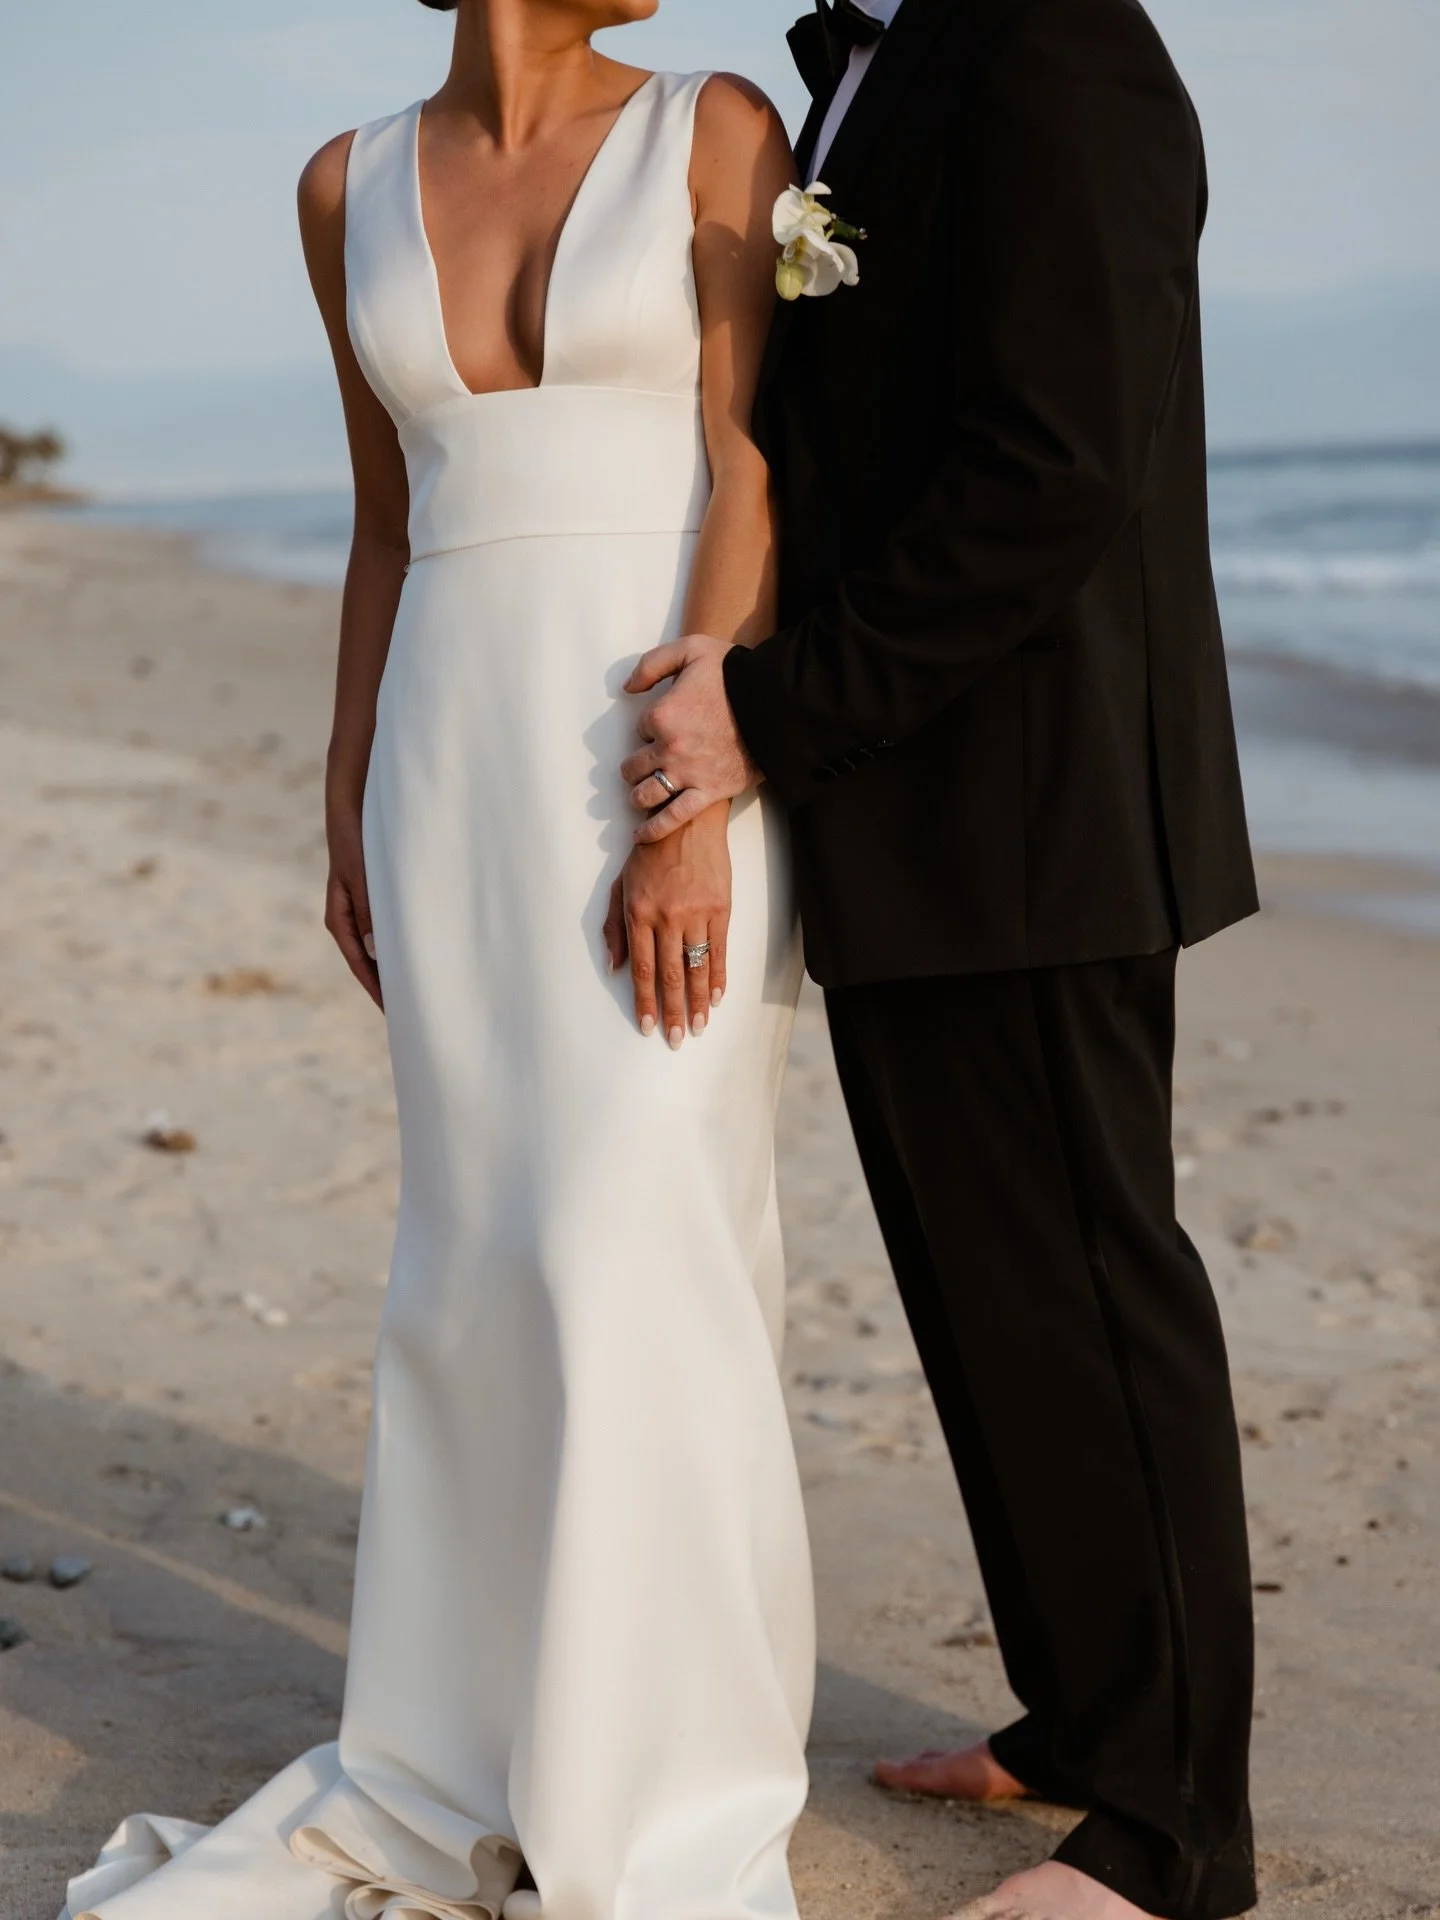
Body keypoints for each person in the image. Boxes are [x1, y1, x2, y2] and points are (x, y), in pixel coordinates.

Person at [59, 6, 817, 1919]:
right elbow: (387, 525)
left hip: (658, 752)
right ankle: (472, 1746)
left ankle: (663, 1790)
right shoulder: (345, 185)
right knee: (479, 1262)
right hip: (449, 770)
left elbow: (749, 470)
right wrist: (347, 792)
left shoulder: (717, 125)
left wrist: (691, 803)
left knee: (643, 1245)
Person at [621, 1, 1261, 1916]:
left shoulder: (1057, 42)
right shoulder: (880, 62)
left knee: (1087, 1294)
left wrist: (773, 709)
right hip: (906, 809)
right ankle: (1083, 1718)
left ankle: (1171, 1837)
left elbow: (1053, 466)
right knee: (987, 1302)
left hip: (1036, 807)